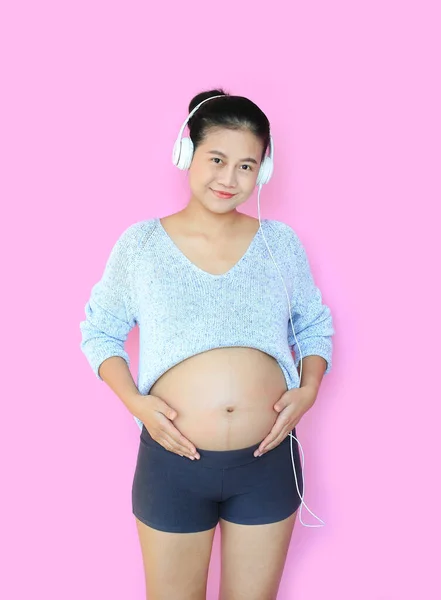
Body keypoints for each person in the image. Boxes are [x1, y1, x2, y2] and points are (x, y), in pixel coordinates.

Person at [79, 88, 335, 600]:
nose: (229, 178)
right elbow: (99, 330)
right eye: (217, 159)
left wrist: (307, 391)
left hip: (267, 465)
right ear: (185, 153)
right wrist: (135, 403)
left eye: (246, 165)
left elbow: (314, 325)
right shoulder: (141, 245)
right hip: (174, 466)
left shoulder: (279, 243)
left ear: (262, 172)